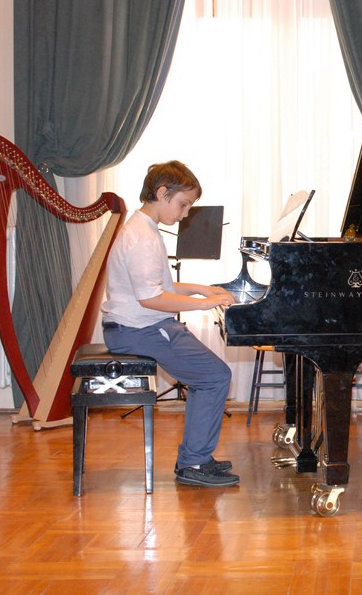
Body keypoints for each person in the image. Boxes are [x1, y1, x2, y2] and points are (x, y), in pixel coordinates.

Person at [101, 160, 239, 488]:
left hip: (142, 326)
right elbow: (151, 299)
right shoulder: (142, 238)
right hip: (137, 330)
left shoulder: (144, 229)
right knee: (215, 376)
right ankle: (193, 463)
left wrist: (199, 288)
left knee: (214, 375)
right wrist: (204, 304)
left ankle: (196, 456)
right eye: (183, 204)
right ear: (162, 193)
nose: (185, 213)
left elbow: (159, 286)